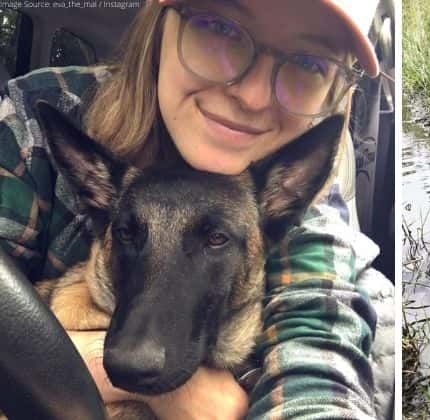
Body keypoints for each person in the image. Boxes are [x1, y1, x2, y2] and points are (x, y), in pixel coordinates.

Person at [0, 0, 393, 418]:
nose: (252, 95)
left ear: (337, 92)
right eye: (219, 27)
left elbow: (318, 368)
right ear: (159, 21)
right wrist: (177, 394)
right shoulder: (39, 115)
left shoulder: (306, 222)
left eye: (309, 62)